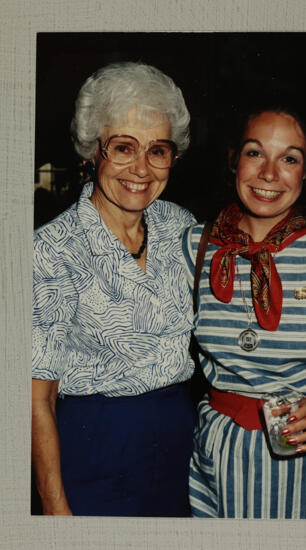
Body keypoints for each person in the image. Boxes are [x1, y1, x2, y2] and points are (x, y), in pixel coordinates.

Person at [32, 61, 196, 517]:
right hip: (95, 451)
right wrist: (54, 507)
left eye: (158, 150)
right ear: (92, 151)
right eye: (123, 147)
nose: (141, 169)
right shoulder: (51, 249)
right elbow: (37, 398)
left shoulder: (180, 226)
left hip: (181, 450)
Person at [182, 102, 306, 519]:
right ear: (233, 158)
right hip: (220, 454)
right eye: (255, 152)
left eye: (290, 158)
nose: (268, 174)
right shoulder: (194, 246)